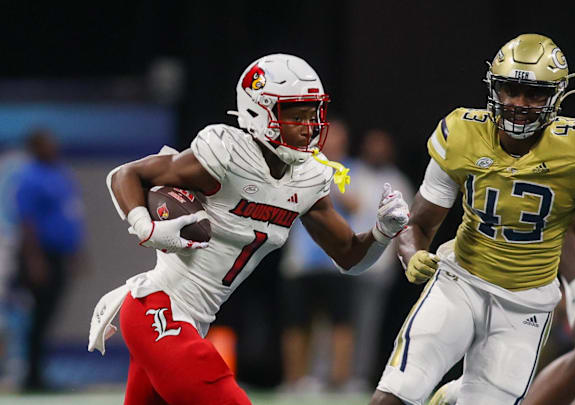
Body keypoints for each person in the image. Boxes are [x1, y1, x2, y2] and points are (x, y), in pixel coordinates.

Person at [87, 54, 410, 405]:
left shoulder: (309, 179)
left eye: (312, 113)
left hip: (191, 320)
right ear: (260, 112)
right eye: (295, 114)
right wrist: (146, 228)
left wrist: (381, 232)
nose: (309, 125)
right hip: (159, 309)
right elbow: (125, 175)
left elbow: (351, 258)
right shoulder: (226, 154)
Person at [369, 34, 575, 405]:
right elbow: (420, 223)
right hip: (461, 282)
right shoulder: (461, 133)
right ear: (494, 88)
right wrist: (412, 256)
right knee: (397, 393)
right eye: (510, 90)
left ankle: (456, 397)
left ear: (557, 96)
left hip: (527, 304)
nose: (519, 104)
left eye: (534, 93)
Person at [278, 119, 355, 392]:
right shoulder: (302, 166)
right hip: (301, 262)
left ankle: (339, 382)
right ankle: (294, 382)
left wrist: (331, 180)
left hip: (336, 261)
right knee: (297, 323)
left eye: (340, 139)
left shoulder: (349, 169)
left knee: (341, 323)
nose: (335, 143)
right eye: (331, 138)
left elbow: (355, 204)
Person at [16, 129, 86, 391]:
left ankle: (39, 373)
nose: (54, 146)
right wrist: (34, 261)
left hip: (60, 255)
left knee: (50, 316)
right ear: (36, 147)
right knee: (38, 317)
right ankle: (31, 376)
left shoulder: (60, 173)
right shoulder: (30, 178)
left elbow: (69, 214)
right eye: (47, 143)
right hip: (41, 256)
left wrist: (77, 252)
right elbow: (28, 222)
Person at [346, 129, 414, 392]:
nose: (377, 151)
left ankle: (358, 376)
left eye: (382, 146)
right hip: (344, 261)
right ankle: (323, 375)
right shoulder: (350, 173)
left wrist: (401, 261)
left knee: (367, 322)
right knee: (338, 322)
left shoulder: (399, 181)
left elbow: (407, 228)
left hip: (379, 267)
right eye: (373, 145)